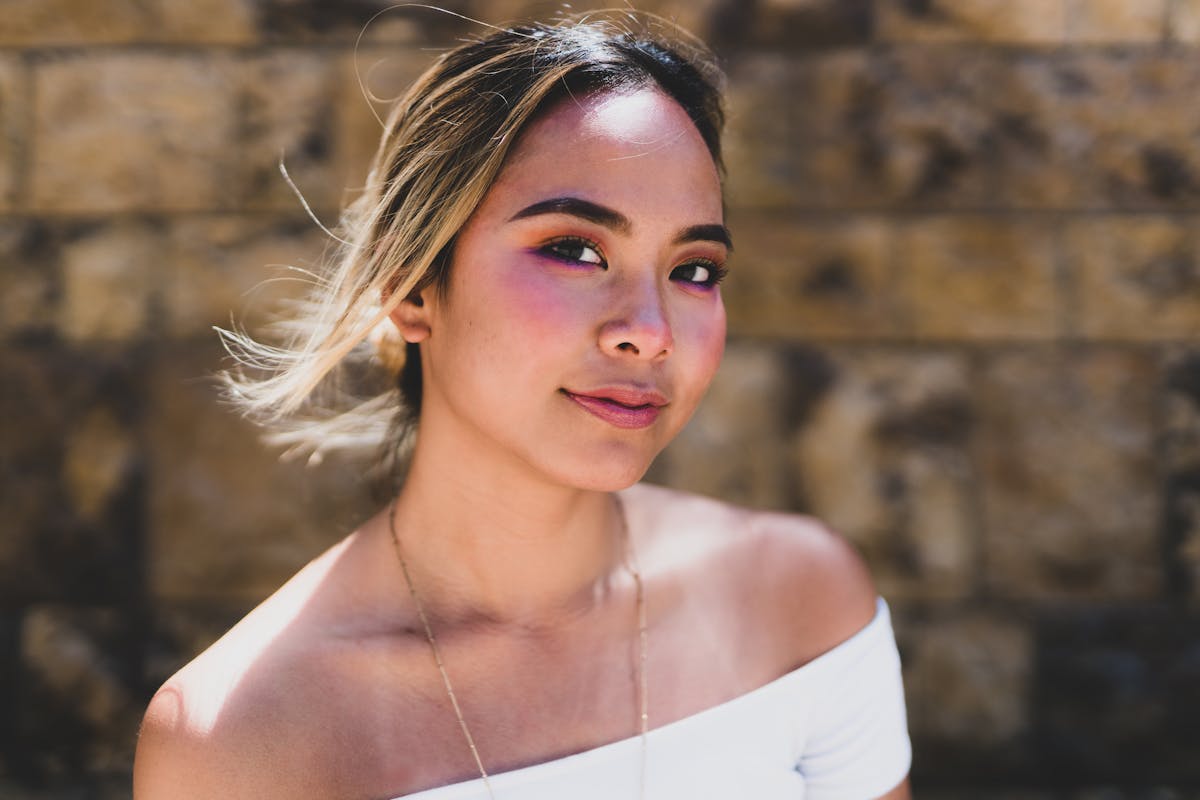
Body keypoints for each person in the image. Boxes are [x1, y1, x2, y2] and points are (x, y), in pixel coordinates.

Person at [133, 11, 911, 800]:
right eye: (575, 250)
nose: (648, 331)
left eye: (695, 269)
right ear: (410, 286)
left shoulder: (799, 602)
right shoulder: (241, 737)